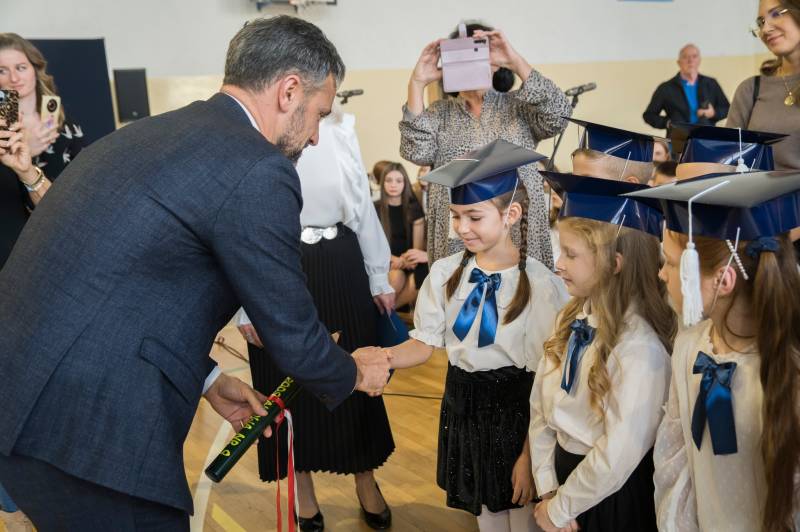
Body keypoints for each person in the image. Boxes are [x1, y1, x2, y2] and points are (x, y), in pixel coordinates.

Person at [0, 16, 391, 530]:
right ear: (289, 90)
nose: (317, 136)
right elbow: (291, 331)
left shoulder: (143, 135)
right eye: (319, 114)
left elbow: (117, 290)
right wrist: (355, 372)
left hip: (21, 402)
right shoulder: (258, 167)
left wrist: (208, 378)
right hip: (88, 433)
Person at [387, 140, 569, 532]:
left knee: (521, 517)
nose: (462, 228)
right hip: (463, 409)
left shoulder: (540, 285)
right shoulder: (445, 273)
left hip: (516, 417)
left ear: (511, 214)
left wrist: (529, 457)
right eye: (455, 216)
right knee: (486, 517)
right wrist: (381, 358)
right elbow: (423, 343)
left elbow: (545, 380)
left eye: (474, 216)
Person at [237, 107, 396, 532]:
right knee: (283, 383)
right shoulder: (250, 127)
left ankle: (366, 479)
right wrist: (244, 304)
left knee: (356, 375)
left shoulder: (340, 126)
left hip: (341, 263)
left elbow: (362, 205)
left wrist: (379, 275)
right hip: (275, 264)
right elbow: (233, 224)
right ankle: (302, 489)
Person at [629, 170, 800, 531]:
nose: (661, 274)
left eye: (671, 263)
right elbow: (676, 463)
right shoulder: (689, 347)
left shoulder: (787, 370)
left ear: (722, 280)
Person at [530, 173, 674, 532]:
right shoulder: (570, 317)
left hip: (609, 497)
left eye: (571, 254)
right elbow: (541, 407)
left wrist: (562, 507)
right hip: (561, 482)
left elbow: (618, 453)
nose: (558, 263)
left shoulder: (639, 348)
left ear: (615, 263)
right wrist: (547, 484)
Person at [399, 22, 571, 269]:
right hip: (460, 235)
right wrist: (416, 83)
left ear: (494, 62)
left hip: (519, 232)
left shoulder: (519, 107)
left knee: (523, 290)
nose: (468, 64)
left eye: (477, 53)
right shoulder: (440, 114)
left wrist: (514, 61)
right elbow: (416, 150)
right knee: (461, 290)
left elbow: (559, 115)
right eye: (459, 56)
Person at [0, 33, 85, 267]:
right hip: (13, 242)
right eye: (2, 71)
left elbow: (82, 187)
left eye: (21, 67)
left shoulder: (59, 121)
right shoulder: (4, 130)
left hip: (60, 235)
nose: (14, 78)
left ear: (35, 69)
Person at [727, 0, 800, 170]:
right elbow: (728, 160)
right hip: (757, 188)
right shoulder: (750, 89)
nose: (765, 29)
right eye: (761, 22)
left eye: (776, 14)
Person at [375, 162, 427, 309]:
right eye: (389, 180)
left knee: (423, 274)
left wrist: (404, 260)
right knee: (396, 276)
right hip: (383, 261)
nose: (393, 185)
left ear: (405, 183)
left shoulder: (414, 208)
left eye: (398, 181)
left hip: (408, 261)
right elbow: (372, 246)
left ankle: (383, 313)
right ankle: (385, 314)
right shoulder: (374, 209)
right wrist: (393, 259)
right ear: (382, 183)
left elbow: (416, 249)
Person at [643, 44, 730, 131]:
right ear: (678, 62)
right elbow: (649, 115)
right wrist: (667, 123)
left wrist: (713, 113)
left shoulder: (711, 83)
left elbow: (727, 109)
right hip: (678, 136)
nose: (690, 60)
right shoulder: (666, 88)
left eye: (694, 56)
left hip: (706, 135)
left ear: (699, 60)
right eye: (685, 57)